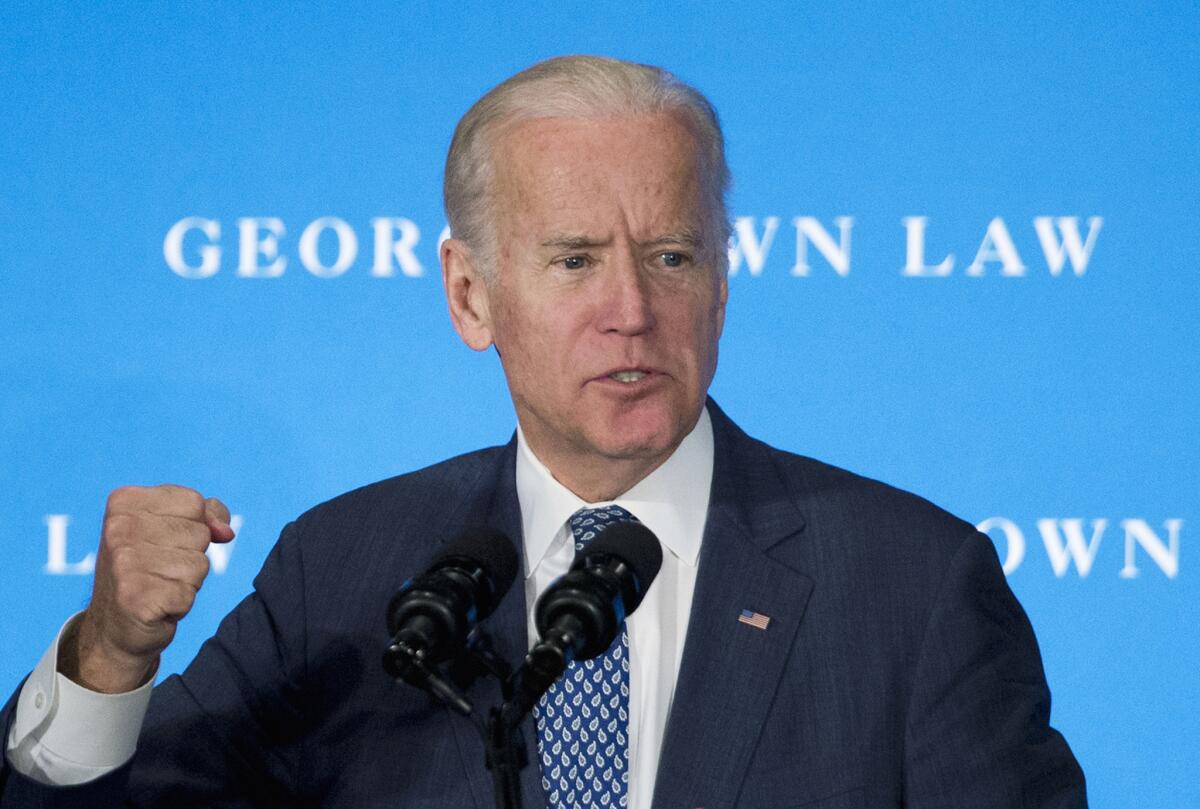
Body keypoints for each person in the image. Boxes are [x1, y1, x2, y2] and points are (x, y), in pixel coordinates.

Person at [1, 56, 1087, 808]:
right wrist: (110, 656)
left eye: (670, 254)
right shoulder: (343, 570)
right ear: (470, 295)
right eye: (574, 259)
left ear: (719, 282)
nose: (632, 308)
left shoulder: (911, 584)